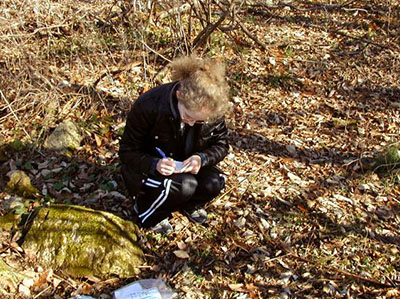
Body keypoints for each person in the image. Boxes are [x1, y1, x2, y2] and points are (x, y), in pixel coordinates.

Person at [119, 56, 230, 232]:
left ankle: (188, 204)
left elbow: (222, 144)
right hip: (147, 170)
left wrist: (201, 158)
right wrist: (155, 164)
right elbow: (126, 152)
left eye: (199, 121)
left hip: (184, 165)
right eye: (188, 117)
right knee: (185, 185)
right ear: (179, 95)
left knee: (214, 182)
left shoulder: (211, 108)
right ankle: (146, 213)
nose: (192, 124)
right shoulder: (150, 106)